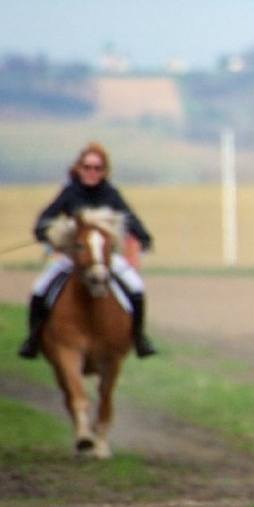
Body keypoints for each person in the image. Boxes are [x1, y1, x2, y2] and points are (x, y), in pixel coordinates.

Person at [17, 142, 158, 359]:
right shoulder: (69, 193)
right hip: (73, 257)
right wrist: (44, 231)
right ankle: (33, 339)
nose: (92, 172)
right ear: (79, 168)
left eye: (97, 168)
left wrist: (144, 237)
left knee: (136, 288)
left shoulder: (111, 194)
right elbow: (46, 218)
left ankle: (139, 338)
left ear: (104, 171)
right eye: (87, 167)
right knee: (39, 289)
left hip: (105, 258)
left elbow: (130, 218)